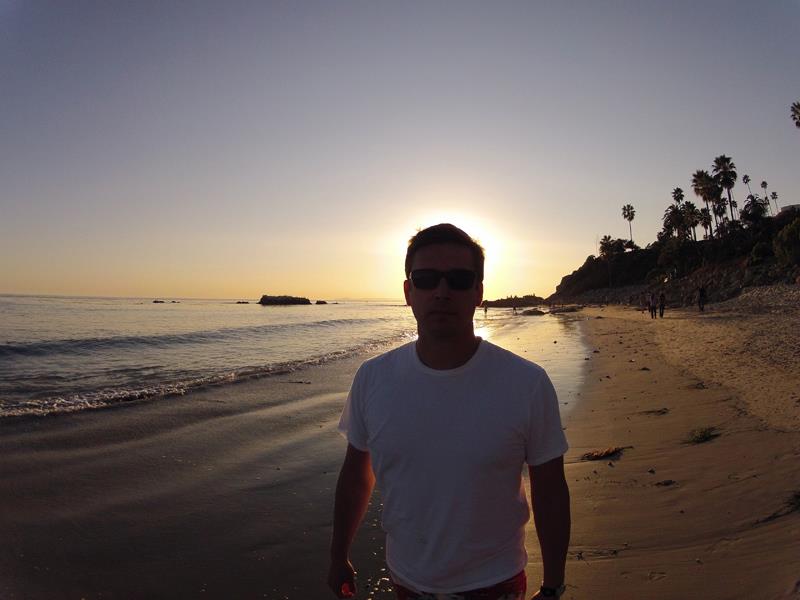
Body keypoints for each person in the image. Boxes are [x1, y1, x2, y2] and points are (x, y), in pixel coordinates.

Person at [328, 223, 570, 600]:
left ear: (478, 292)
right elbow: (357, 474)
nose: (441, 292)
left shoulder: (526, 383)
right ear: (408, 292)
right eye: (426, 279)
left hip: (495, 583)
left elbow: (550, 490)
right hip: (406, 581)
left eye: (458, 279)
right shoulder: (373, 379)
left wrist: (553, 584)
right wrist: (338, 554)